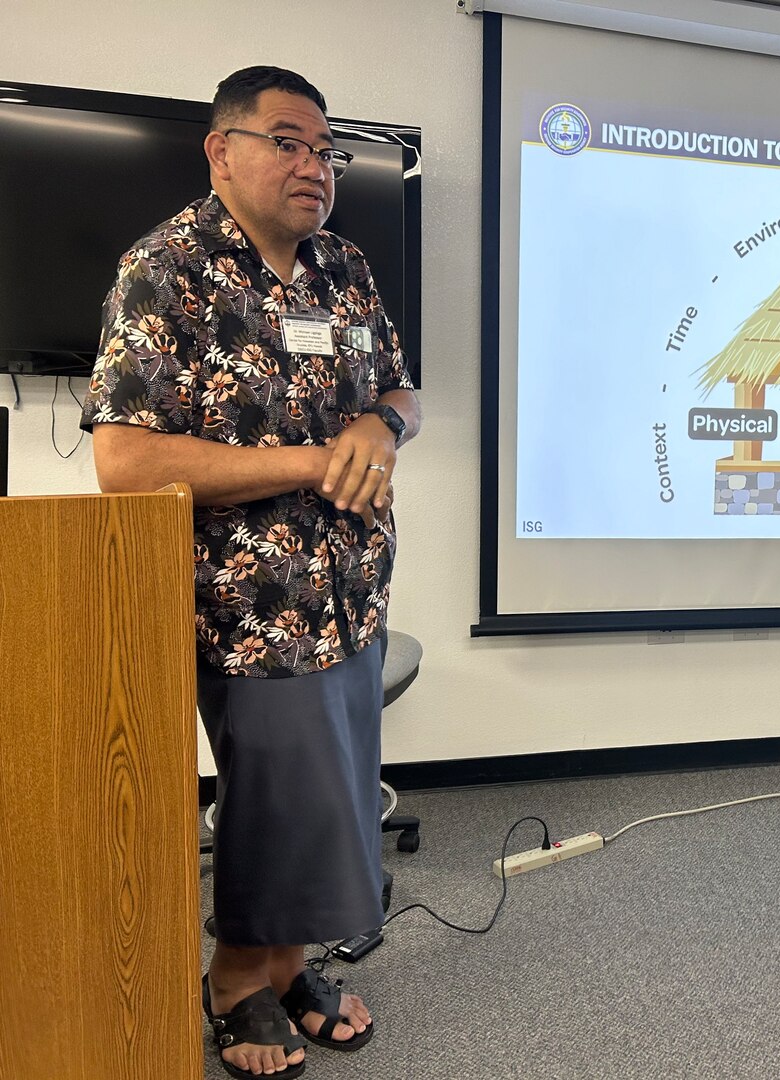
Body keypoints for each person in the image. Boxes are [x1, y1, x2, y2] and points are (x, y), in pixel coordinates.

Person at [82, 66, 420, 1079]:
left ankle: (286, 969)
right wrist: (315, 462)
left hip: (350, 594)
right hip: (246, 607)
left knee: (331, 793)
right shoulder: (167, 271)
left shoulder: (345, 267)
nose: (315, 166)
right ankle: (234, 981)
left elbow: (404, 392)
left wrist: (375, 421)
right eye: (289, 141)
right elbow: (125, 463)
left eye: (327, 151)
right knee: (278, 799)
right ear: (220, 150)